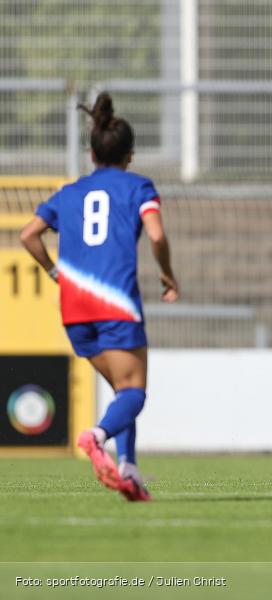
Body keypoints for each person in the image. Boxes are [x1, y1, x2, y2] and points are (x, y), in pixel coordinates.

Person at [19, 92, 178, 501]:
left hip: (74, 309)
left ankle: (129, 469)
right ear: (130, 155)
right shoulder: (137, 186)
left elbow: (28, 235)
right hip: (116, 305)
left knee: (121, 390)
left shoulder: (69, 193)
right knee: (135, 391)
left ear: (91, 154)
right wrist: (166, 274)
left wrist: (55, 272)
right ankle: (95, 436)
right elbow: (157, 234)